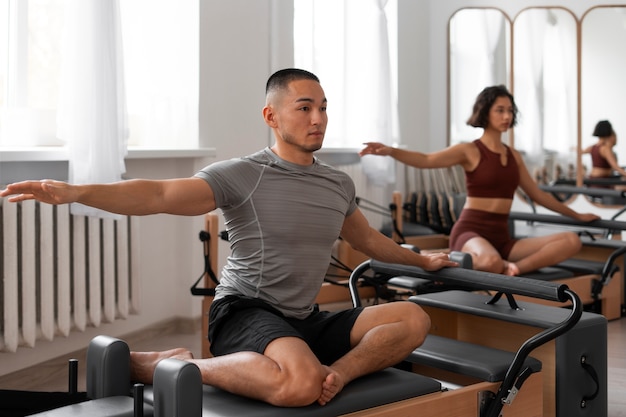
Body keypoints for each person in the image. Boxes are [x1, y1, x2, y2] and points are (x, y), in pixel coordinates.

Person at [0, 68, 457, 408]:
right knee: (297, 386)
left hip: (303, 319)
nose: (318, 118)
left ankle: (335, 373)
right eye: (304, 107)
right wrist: (77, 191)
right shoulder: (244, 174)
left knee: (414, 318)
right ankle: (172, 365)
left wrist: (425, 263)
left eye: (323, 107)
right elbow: (159, 193)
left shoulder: (338, 184)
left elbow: (370, 243)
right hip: (244, 311)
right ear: (271, 116)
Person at [360, 85, 600, 276]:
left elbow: (538, 195)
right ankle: (478, 262)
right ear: (485, 112)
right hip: (471, 232)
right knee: (490, 261)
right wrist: (391, 151)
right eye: (500, 110)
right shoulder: (470, 150)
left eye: (510, 110)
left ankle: (513, 269)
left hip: (502, 239)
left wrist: (578, 217)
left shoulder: (514, 155)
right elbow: (426, 159)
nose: (507, 116)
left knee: (571, 240)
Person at [582, 120, 626, 187]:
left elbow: (581, 152)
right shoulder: (605, 149)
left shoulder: (592, 147)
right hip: (602, 182)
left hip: (592, 180)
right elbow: (615, 167)